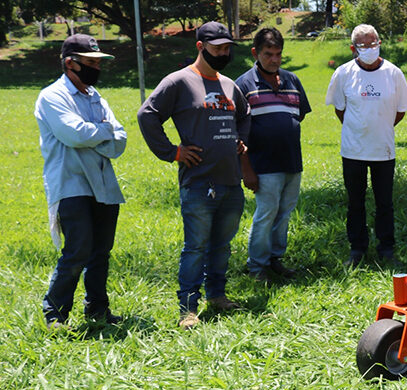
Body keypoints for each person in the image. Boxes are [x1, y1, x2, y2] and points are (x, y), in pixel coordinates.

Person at [137, 21, 251, 330]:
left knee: (222, 245)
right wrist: (173, 152)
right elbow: (147, 115)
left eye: (228, 48)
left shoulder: (229, 85)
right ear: (200, 47)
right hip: (199, 182)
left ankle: (217, 295)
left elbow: (245, 115)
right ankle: (188, 308)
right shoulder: (179, 82)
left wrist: (242, 141)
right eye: (218, 49)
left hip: (230, 181)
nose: (224, 53)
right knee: (196, 247)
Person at [34, 34, 127, 329]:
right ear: (69, 63)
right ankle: (55, 313)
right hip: (70, 184)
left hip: (103, 184)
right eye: (89, 63)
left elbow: (120, 140)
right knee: (78, 250)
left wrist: (95, 134)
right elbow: (74, 134)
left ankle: (98, 309)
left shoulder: (96, 97)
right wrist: (103, 132)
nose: (95, 68)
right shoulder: (52, 97)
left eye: (97, 63)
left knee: (101, 251)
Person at [326, 24, 407, 267]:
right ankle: (357, 248)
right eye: (364, 45)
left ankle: (386, 248)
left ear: (380, 43)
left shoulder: (394, 73)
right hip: (353, 150)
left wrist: (380, 127)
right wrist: (359, 129)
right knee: (355, 201)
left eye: (374, 43)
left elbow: (400, 110)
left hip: (383, 150)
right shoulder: (343, 73)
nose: (370, 48)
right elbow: (340, 109)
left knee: (384, 201)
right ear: (354, 48)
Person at [236, 27, 311, 282]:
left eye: (279, 54)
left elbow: (297, 116)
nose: (275, 59)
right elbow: (236, 132)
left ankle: (275, 259)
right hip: (263, 165)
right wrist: (246, 168)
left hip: (292, 161)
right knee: (266, 215)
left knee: (285, 213)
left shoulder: (292, 81)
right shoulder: (243, 84)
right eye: (269, 54)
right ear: (255, 53)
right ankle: (257, 266)